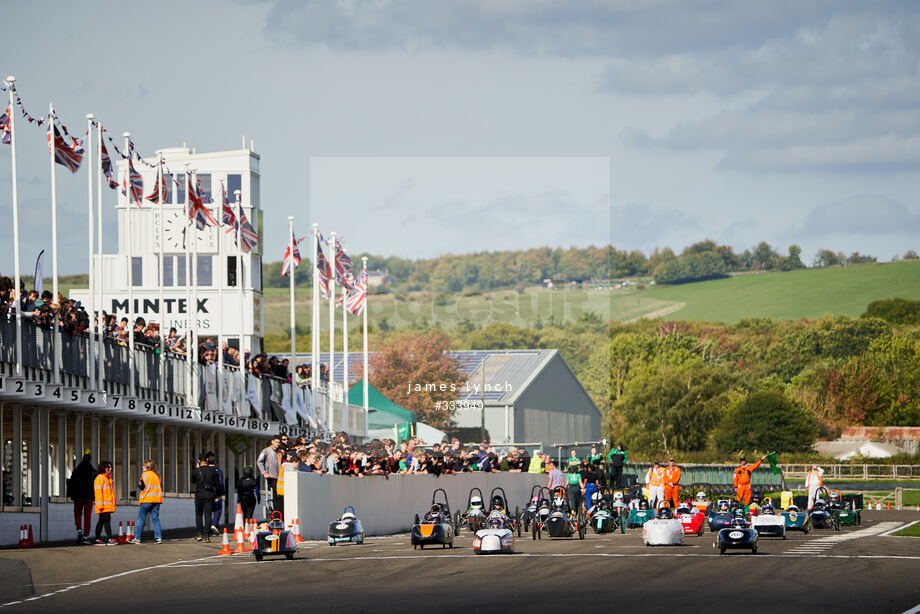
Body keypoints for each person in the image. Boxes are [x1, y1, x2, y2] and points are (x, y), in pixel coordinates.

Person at [131, 460, 163, 544]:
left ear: (147, 467)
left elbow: (141, 487)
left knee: (141, 519)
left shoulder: (144, 475)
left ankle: (137, 538)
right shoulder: (157, 475)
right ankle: (158, 538)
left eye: (143, 466)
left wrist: (139, 484)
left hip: (146, 500)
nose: (142, 467)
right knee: (155, 519)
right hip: (156, 500)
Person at [67, 452, 95, 545]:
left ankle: (79, 530)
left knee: (77, 514)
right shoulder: (92, 471)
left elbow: (71, 483)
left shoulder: (76, 470)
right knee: (87, 516)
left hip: (78, 496)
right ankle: (85, 536)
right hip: (89, 497)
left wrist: (72, 495)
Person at [191, 453, 220, 542]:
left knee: (199, 514)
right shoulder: (213, 471)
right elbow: (217, 485)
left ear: (199, 461)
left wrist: (196, 469)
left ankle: (199, 533)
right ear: (207, 460)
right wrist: (218, 495)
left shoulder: (196, 471)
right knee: (208, 515)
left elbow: (192, 481)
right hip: (209, 495)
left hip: (199, 494)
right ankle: (207, 535)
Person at [93, 461, 117, 545]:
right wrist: (100, 505)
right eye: (108, 467)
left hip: (107, 505)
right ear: (104, 468)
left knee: (102, 521)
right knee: (106, 521)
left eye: (110, 467)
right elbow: (98, 492)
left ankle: (97, 539)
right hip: (103, 505)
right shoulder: (100, 478)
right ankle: (109, 538)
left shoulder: (108, 479)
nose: (110, 469)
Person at [256, 435, 282, 513]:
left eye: (279, 442)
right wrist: (264, 472)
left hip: (280, 477)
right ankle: (277, 512)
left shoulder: (280, 452)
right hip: (271, 476)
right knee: (277, 494)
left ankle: (280, 512)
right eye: (276, 442)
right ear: (272, 442)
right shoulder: (266, 450)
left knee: (280, 495)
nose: (277, 444)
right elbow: (259, 461)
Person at [207, 454, 225, 536]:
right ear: (215, 461)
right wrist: (221, 493)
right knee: (218, 509)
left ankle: (208, 528)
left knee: (208, 510)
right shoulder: (218, 471)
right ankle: (214, 524)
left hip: (206, 492)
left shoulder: (205, 470)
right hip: (216, 492)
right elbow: (220, 483)